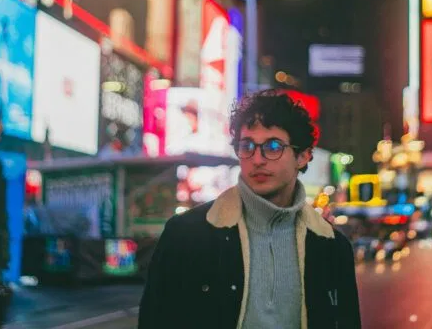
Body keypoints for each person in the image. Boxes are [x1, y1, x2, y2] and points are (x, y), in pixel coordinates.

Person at [139, 90, 361, 328]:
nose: (257, 159)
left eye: (273, 146)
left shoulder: (331, 247)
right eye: (247, 146)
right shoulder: (186, 234)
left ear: (303, 156)